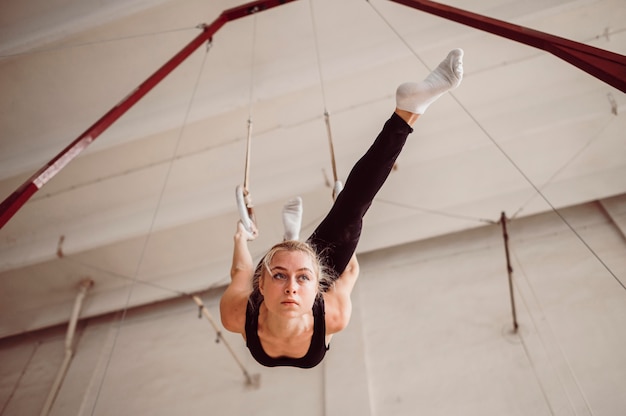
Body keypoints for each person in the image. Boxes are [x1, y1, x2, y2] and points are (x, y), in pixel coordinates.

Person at [220, 48, 464, 368]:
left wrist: (241, 239)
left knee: (335, 228)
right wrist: (343, 210)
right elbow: (350, 270)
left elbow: (240, 271)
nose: (291, 288)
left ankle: (410, 107)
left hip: (307, 268)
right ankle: (409, 108)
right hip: (319, 268)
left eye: (300, 278)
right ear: (262, 284)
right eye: (280, 276)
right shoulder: (332, 315)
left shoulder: (238, 314)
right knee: (351, 214)